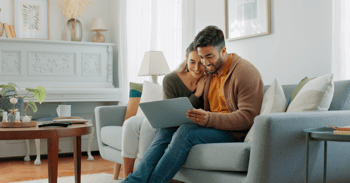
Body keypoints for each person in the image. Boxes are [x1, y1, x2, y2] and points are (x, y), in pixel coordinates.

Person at [121, 25, 264, 183]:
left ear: (223, 51)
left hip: (234, 132)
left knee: (187, 132)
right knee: (166, 129)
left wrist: (208, 118)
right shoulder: (210, 71)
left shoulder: (245, 73)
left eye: (209, 56)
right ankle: (133, 180)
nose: (205, 63)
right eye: (202, 57)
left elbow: (247, 118)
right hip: (213, 126)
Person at [121, 41, 208, 179]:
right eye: (192, 62)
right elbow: (172, 116)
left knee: (169, 133)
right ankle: (134, 180)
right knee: (164, 134)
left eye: (201, 63)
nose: (197, 67)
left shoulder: (209, 80)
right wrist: (196, 95)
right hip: (171, 124)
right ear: (186, 60)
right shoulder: (171, 80)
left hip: (193, 125)